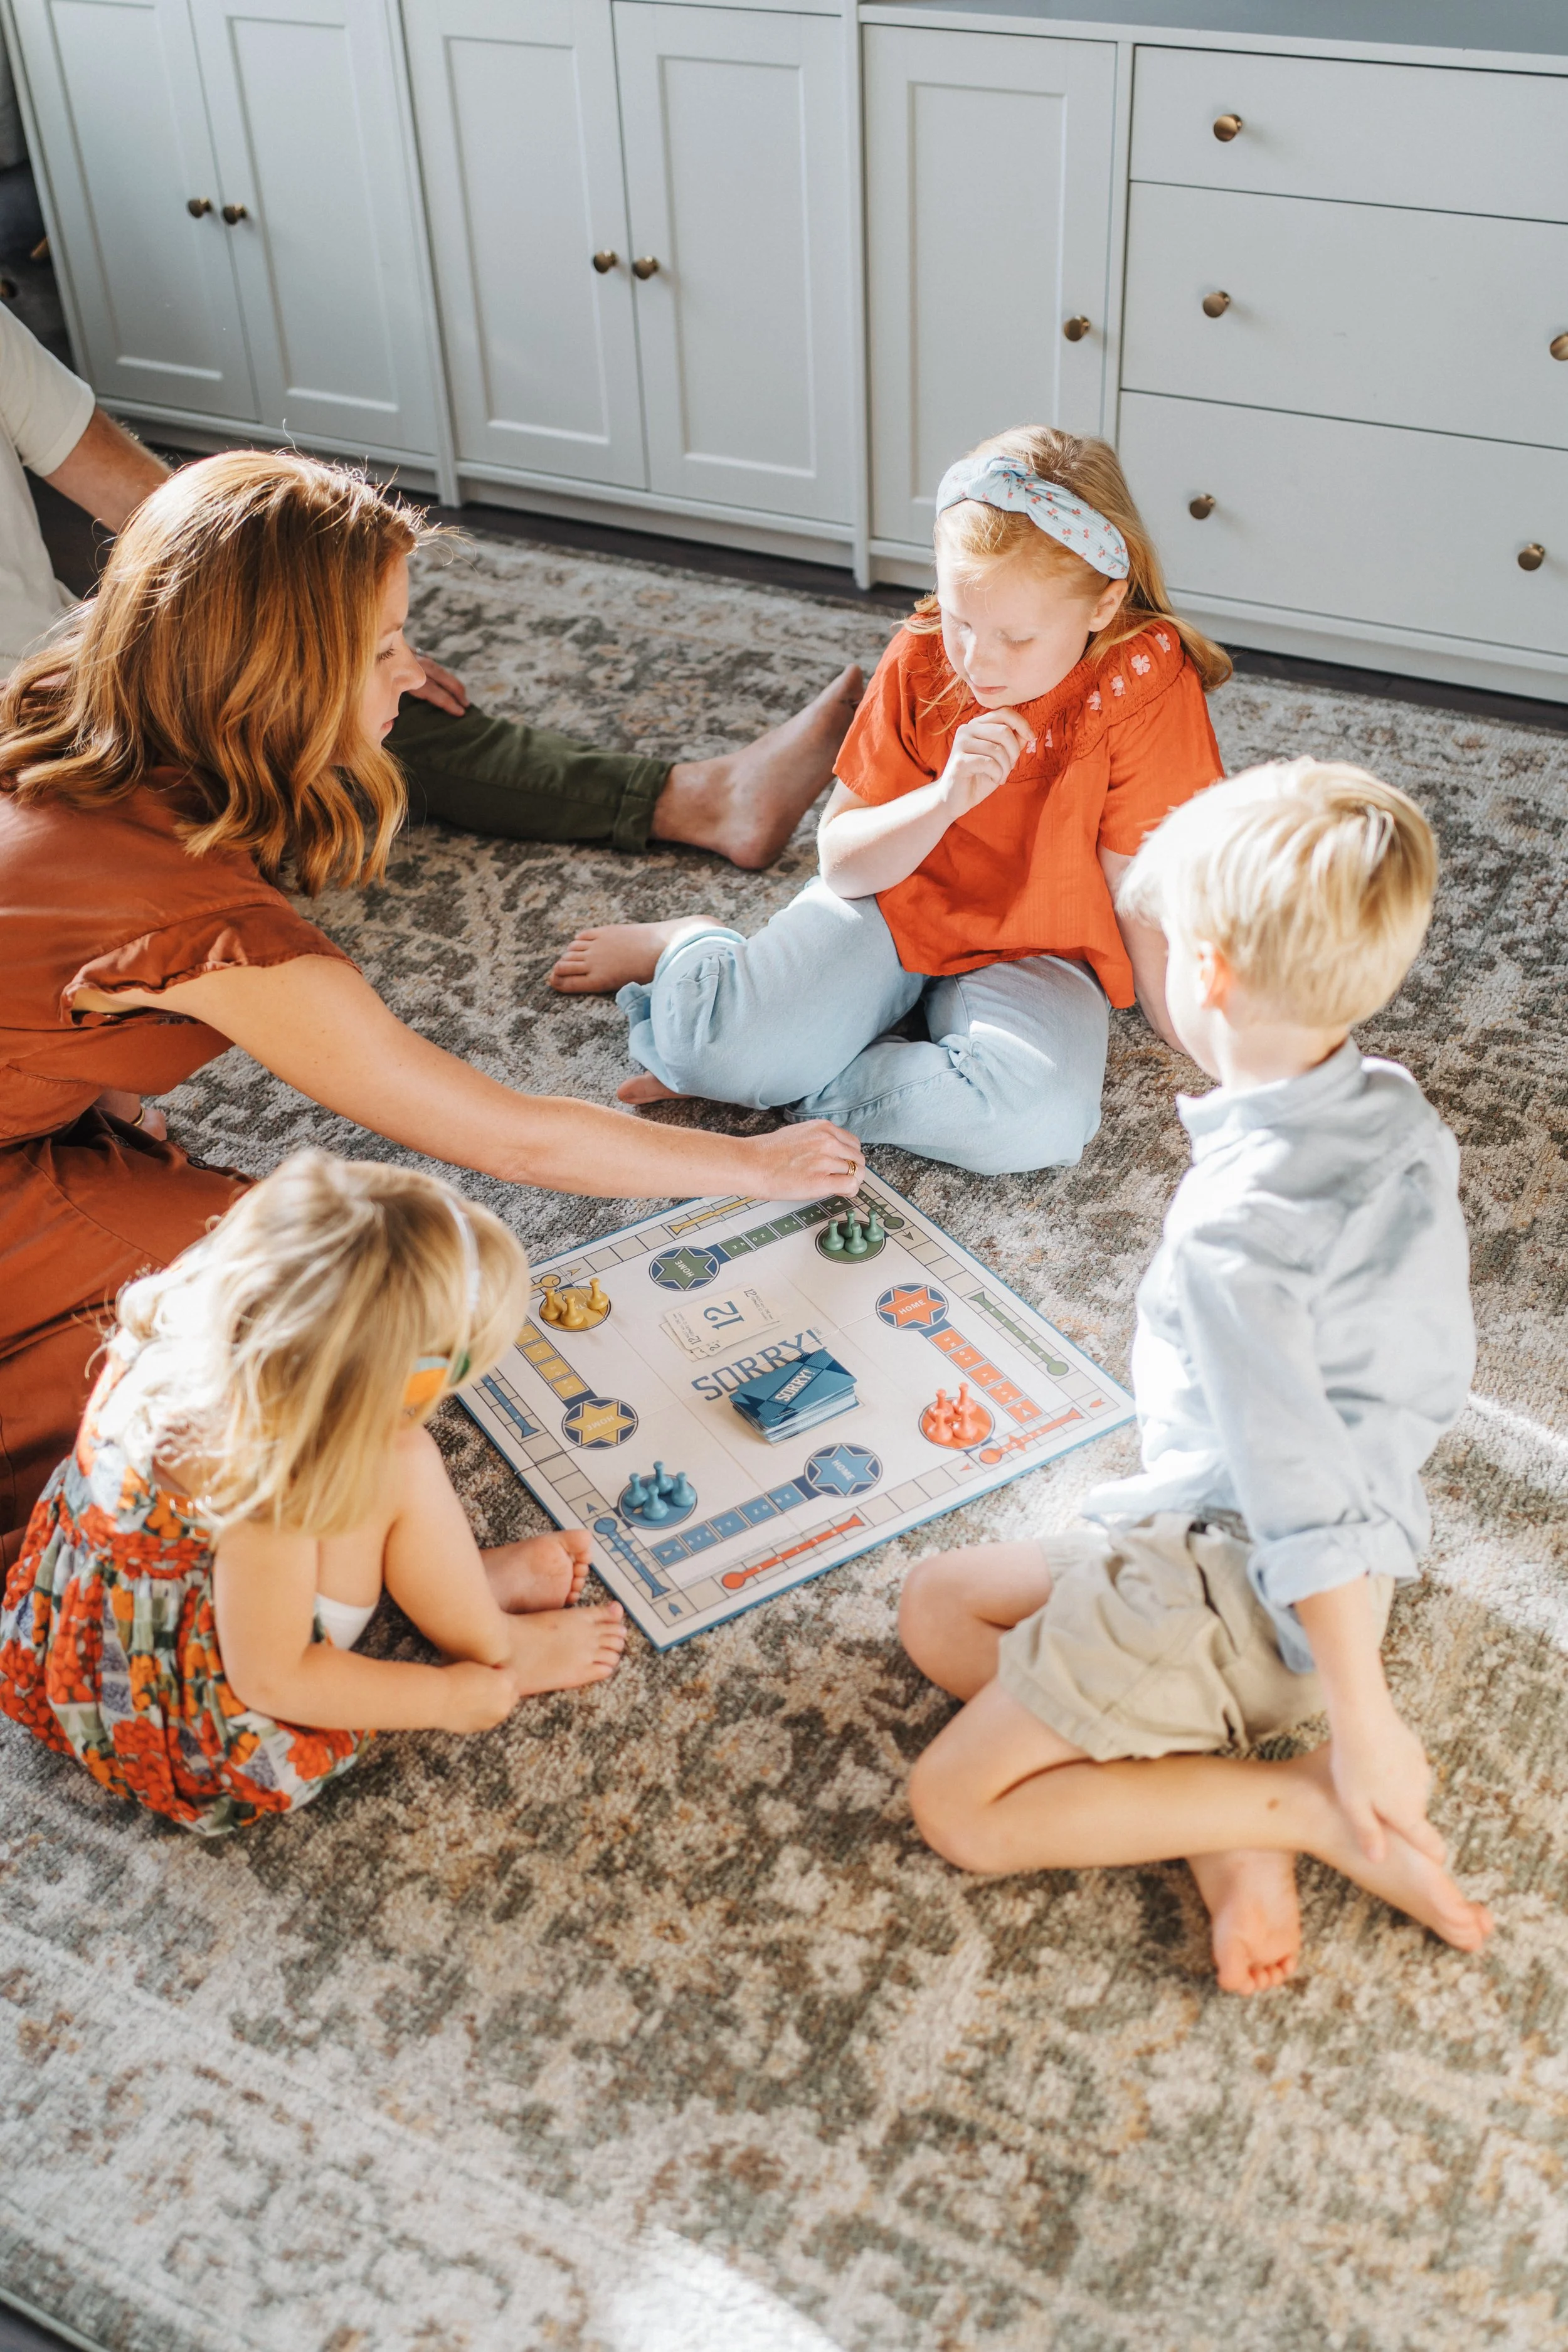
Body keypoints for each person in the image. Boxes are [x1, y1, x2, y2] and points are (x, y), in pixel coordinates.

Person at [0, 449, 865, 1560]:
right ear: (275, 684)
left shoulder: (79, 704)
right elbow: (503, 1136)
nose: (413, 675)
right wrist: (759, 1166)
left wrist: (87, 1096)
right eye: (383, 649)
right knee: (366, 1306)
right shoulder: (198, 923)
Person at [896, 761, 1494, 1994]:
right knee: (937, 1605)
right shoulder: (1387, 1111)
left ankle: (1288, 1809)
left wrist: (1362, 1722)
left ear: (1207, 974)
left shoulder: (1237, 1234)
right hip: (1286, 1569)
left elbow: (1296, 1483)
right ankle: (1210, 1805)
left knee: (955, 1805)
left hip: (1231, 1587)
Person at [549, 425, 1229, 1175]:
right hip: (892, 897)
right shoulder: (924, 650)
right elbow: (843, 865)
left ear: (1103, 604)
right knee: (713, 1053)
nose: (978, 661)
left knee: (1040, 1123)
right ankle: (694, 946)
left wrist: (1182, 1023)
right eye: (963, 620)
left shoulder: (1144, 678)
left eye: (1015, 637)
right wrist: (943, 801)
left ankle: (781, 1074)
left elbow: (1138, 883)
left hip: (1044, 941)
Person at [0, 299, 861, 866]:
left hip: (66, 671)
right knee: (316, 703)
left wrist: (349, 633)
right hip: (32, 744)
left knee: (359, 684)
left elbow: (164, 514)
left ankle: (707, 800)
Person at [0, 1153, 626, 1833]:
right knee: (403, 1459)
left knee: (387, 1457)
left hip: (86, 1637)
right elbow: (275, 1679)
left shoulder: (179, 1322)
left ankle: (450, 1587)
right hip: (191, 1719)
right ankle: (491, 1635)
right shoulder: (269, 1480)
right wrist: (446, 1697)